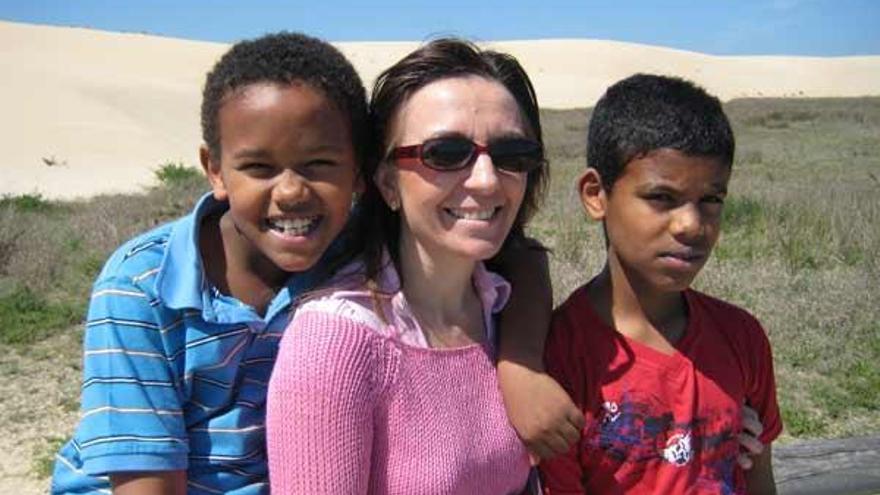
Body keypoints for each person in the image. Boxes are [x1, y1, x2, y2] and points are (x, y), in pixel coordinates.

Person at [52, 32, 580, 495]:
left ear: (358, 175)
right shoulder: (141, 287)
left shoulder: (352, 247)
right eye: (258, 167)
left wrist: (520, 364)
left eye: (320, 165)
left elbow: (519, 256)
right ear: (215, 170)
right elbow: (146, 482)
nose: (291, 192)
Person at [266, 38, 569, 493]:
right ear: (387, 182)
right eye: (445, 154)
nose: (487, 180)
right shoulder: (335, 344)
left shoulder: (504, 310)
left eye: (511, 156)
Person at [540, 74, 782, 494]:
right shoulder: (560, 356)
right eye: (661, 198)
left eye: (711, 200)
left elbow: (759, 477)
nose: (692, 225)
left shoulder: (742, 337)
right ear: (596, 195)